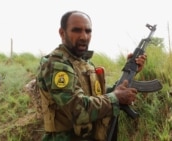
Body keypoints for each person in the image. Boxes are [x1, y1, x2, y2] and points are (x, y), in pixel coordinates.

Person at [36, 10, 147, 141]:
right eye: (76, 30)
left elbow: (98, 97)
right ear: (62, 33)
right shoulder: (57, 64)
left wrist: (129, 74)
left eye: (88, 31)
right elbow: (78, 110)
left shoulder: (84, 63)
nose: (84, 36)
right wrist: (116, 97)